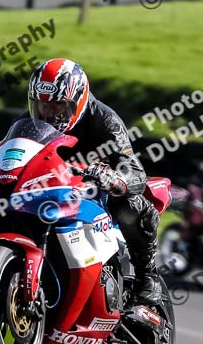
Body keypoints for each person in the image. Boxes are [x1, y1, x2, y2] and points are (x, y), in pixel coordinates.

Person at [27, 57, 162, 305]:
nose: (49, 114)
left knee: (131, 206)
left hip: (99, 192)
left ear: (78, 100)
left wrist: (113, 178)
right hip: (57, 190)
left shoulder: (104, 120)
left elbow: (135, 172)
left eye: (58, 107)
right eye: (43, 107)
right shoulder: (28, 124)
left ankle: (147, 276)